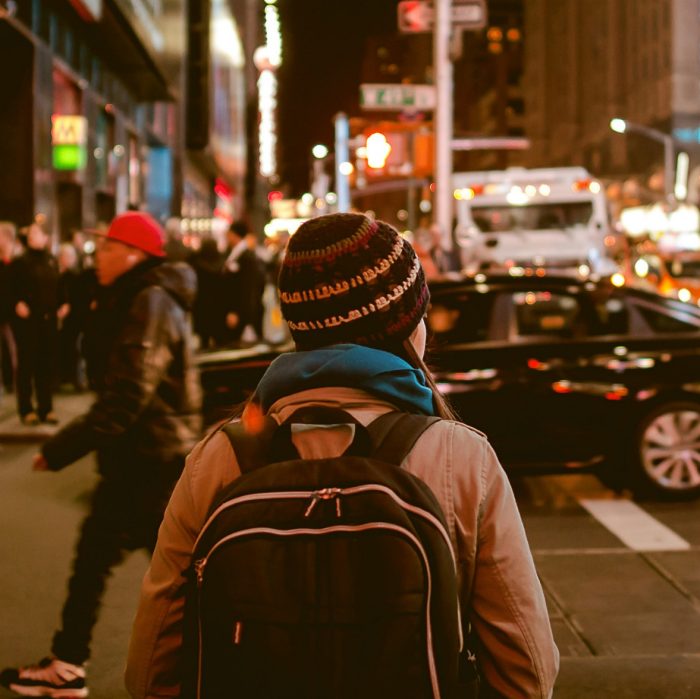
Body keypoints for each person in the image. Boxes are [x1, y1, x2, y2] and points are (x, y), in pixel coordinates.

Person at [124, 213, 559, 698]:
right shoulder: (459, 456)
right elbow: (528, 672)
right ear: (406, 327)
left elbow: (149, 671)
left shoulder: (220, 457)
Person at [1, 211, 202, 699]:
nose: (99, 257)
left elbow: (128, 394)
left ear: (134, 254)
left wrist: (61, 446)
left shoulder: (149, 300)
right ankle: (68, 662)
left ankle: (229, 658)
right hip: (143, 455)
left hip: (148, 458)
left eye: (108, 248)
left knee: (172, 571)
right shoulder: (138, 296)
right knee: (118, 562)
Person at [9, 223, 68, 425]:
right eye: (31, 233)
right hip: (28, 322)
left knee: (46, 365)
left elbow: (59, 285)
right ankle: (26, 409)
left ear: (45, 238)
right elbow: (9, 289)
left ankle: (46, 408)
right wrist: (17, 303)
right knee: (27, 365)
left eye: (37, 233)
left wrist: (64, 303)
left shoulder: (51, 260)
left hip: (48, 320)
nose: (34, 236)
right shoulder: (20, 262)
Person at [219, 221, 266, 346]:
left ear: (234, 235)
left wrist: (237, 312)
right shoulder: (236, 253)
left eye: (228, 234)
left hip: (242, 314)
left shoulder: (246, 257)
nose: (227, 237)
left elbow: (248, 288)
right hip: (238, 312)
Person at [0, 221, 18, 399]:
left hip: (13, 315)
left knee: (14, 351)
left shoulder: (17, 261)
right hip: (2, 313)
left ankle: (15, 383)